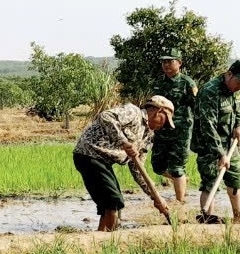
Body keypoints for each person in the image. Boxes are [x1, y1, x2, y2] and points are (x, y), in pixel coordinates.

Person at [72, 96, 175, 231]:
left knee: (110, 204)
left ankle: (102, 236)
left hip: (103, 161)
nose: (163, 126)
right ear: (158, 111)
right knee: (114, 200)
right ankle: (108, 240)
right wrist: (123, 141)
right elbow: (106, 116)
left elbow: (138, 170)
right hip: (89, 153)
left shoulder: (148, 137)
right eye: (165, 121)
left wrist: (156, 197)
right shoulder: (134, 113)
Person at [193, 60, 240, 223]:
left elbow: (239, 110)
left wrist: (239, 125)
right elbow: (208, 126)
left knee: (237, 178)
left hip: (229, 144)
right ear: (229, 75)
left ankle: (239, 217)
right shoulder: (209, 91)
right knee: (210, 182)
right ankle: (208, 219)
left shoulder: (235, 90)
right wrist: (220, 154)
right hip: (209, 145)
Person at [150, 51, 199, 203]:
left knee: (177, 168)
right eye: (164, 62)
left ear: (179, 63)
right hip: (161, 130)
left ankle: (180, 202)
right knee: (157, 166)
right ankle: (182, 180)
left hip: (180, 131)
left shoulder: (187, 83)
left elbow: (197, 106)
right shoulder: (158, 83)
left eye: (170, 62)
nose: (166, 65)